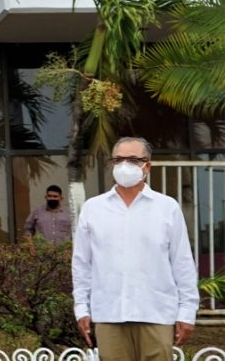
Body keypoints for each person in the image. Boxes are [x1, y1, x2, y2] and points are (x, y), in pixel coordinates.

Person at [73, 137, 198, 358]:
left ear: (147, 166)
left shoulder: (167, 208)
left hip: (156, 313)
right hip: (109, 314)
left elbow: (182, 263)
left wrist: (187, 312)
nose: (124, 166)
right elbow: (82, 265)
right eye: (119, 159)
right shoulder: (93, 209)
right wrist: (81, 308)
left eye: (133, 160)